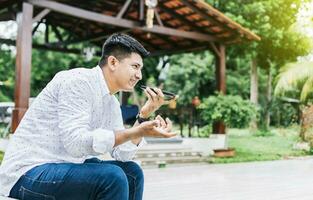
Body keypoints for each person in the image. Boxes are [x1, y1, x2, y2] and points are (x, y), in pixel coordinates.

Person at [0, 33, 176, 200]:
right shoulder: (77, 81)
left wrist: (144, 116)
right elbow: (75, 144)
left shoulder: (111, 102)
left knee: (132, 172)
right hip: (26, 172)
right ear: (113, 62)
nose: (139, 75)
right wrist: (134, 132)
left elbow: (122, 154)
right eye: (135, 67)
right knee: (112, 177)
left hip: (64, 166)